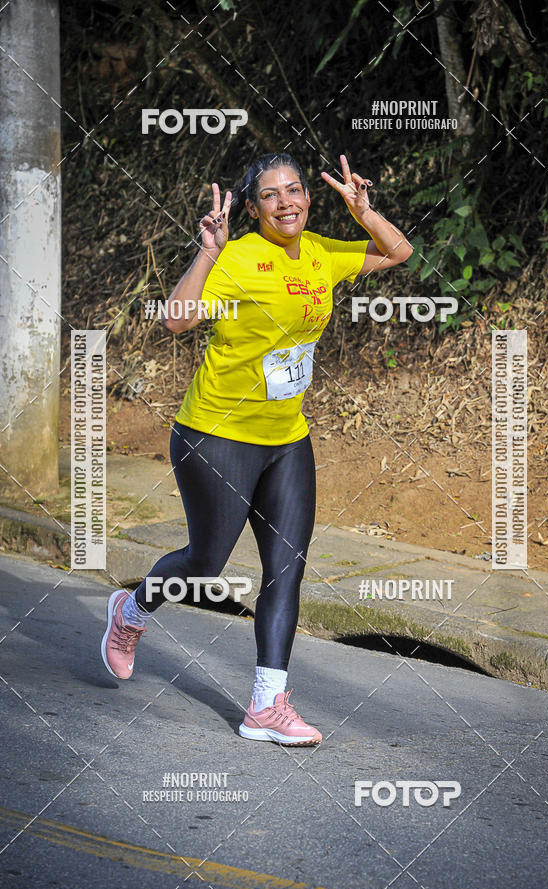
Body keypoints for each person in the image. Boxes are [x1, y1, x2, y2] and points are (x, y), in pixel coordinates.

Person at [101, 151, 413, 746]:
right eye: (271, 195)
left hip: (286, 437)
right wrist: (209, 251)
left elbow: (398, 253)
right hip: (216, 435)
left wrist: (365, 212)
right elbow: (176, 320)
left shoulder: (322, 253)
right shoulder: (240, 256)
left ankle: (266, 706)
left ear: (309, 197)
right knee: (205, 563)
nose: (287, 201)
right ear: (253, 208)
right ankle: (130, 613)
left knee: (286, 568)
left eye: (294, 190)